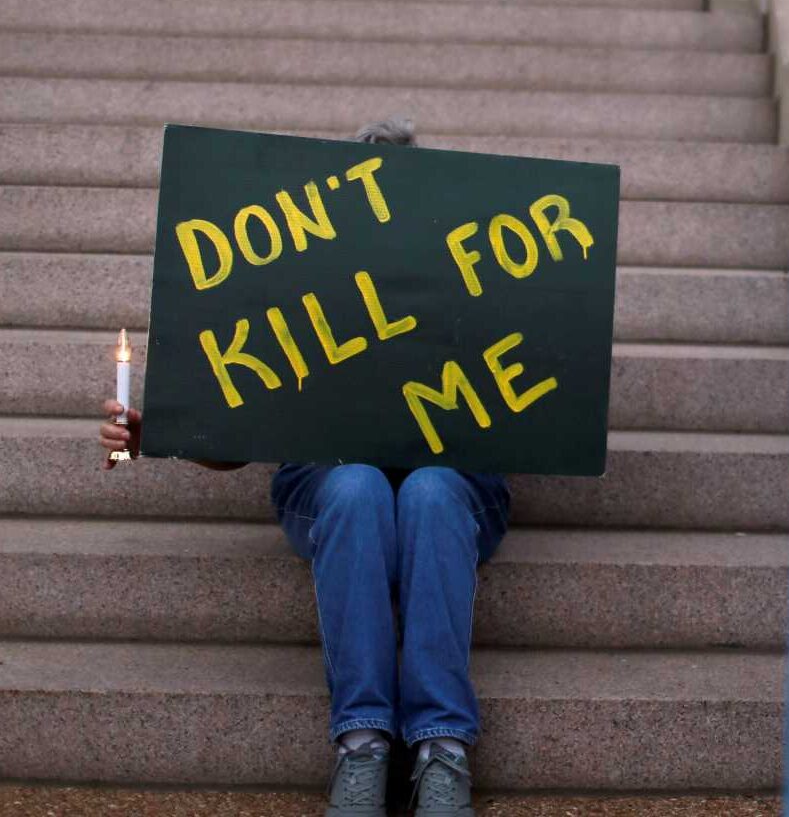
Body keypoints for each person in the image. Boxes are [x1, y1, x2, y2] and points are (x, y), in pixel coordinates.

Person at [98, 119, 508, 817]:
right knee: (357, 487)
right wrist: (161, 435)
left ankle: (443, 749)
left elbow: (540, 390)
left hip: (457, 486)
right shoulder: (301, 290)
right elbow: (236, 436)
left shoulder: (478, 283)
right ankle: (364, 743)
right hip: (332, 485)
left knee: (432, 491)